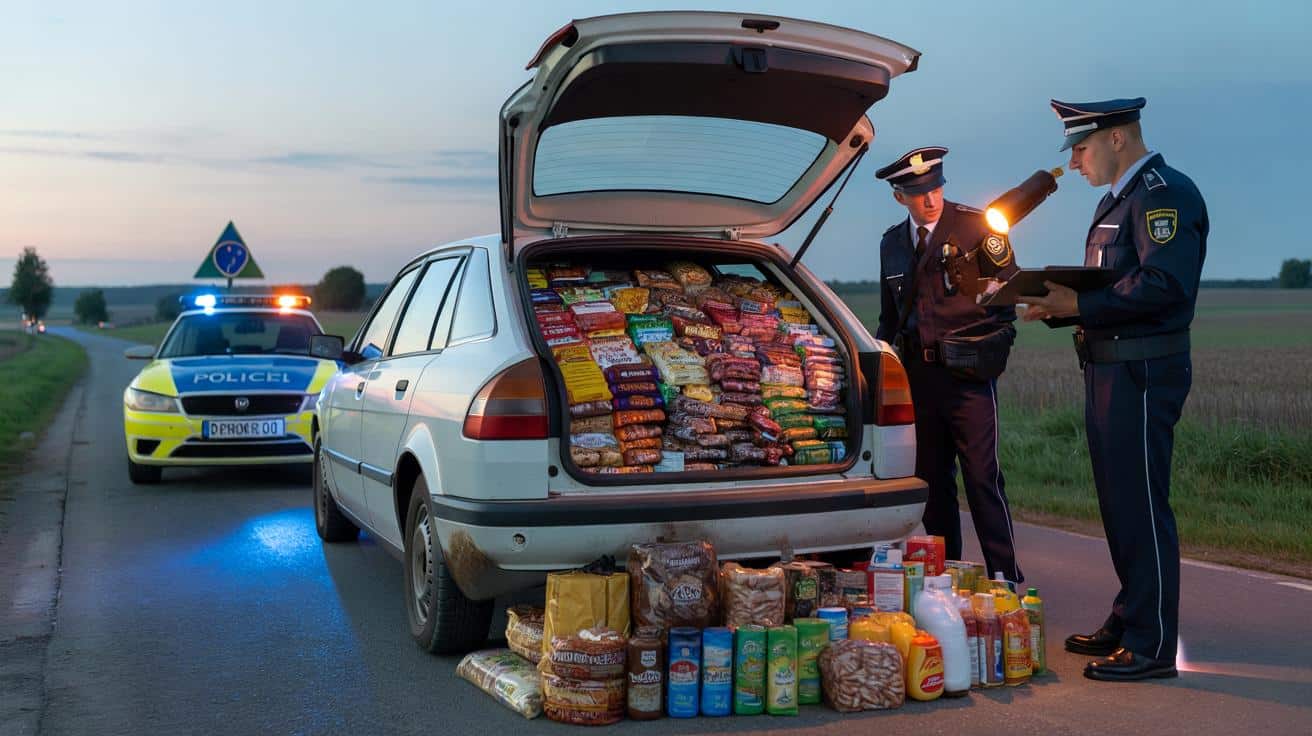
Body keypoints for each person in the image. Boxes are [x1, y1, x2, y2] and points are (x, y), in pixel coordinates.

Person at [1020, 97, 1208, 682]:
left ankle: (1152, 643)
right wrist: (1058, 306)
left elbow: (1164, 284)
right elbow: (1111, 283)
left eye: (1080, 147)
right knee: (1118, 502)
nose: (1074, 162)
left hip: (1142, 372)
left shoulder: (1162, 193)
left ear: (1118, 138)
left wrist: (1081, 304)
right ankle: (1131, 615)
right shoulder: (1116, 201)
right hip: (1108, 369)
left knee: (1142, 506)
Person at [874, 146, 1023, 583]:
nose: (931, 199)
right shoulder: (891, 244)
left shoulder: (979, 228)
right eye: (919, 192)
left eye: (936, 187)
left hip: (968, 377)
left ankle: (1006, 580)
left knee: (983, 482)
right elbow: (889, 317)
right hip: (920, 379)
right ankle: (947, 580)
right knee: (934, 487)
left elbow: (1007, 302)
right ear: (900, 196)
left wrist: (989, 353)